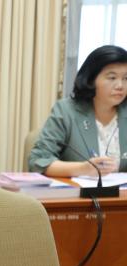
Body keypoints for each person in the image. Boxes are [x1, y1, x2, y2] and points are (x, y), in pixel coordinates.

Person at [30, 45, 127, 176]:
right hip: (77, 189)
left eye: (126, 78)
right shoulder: (66, 111)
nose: (120, 85)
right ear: (91, 79)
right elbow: (38, 161)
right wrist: (83, 168)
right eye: (112, 78)